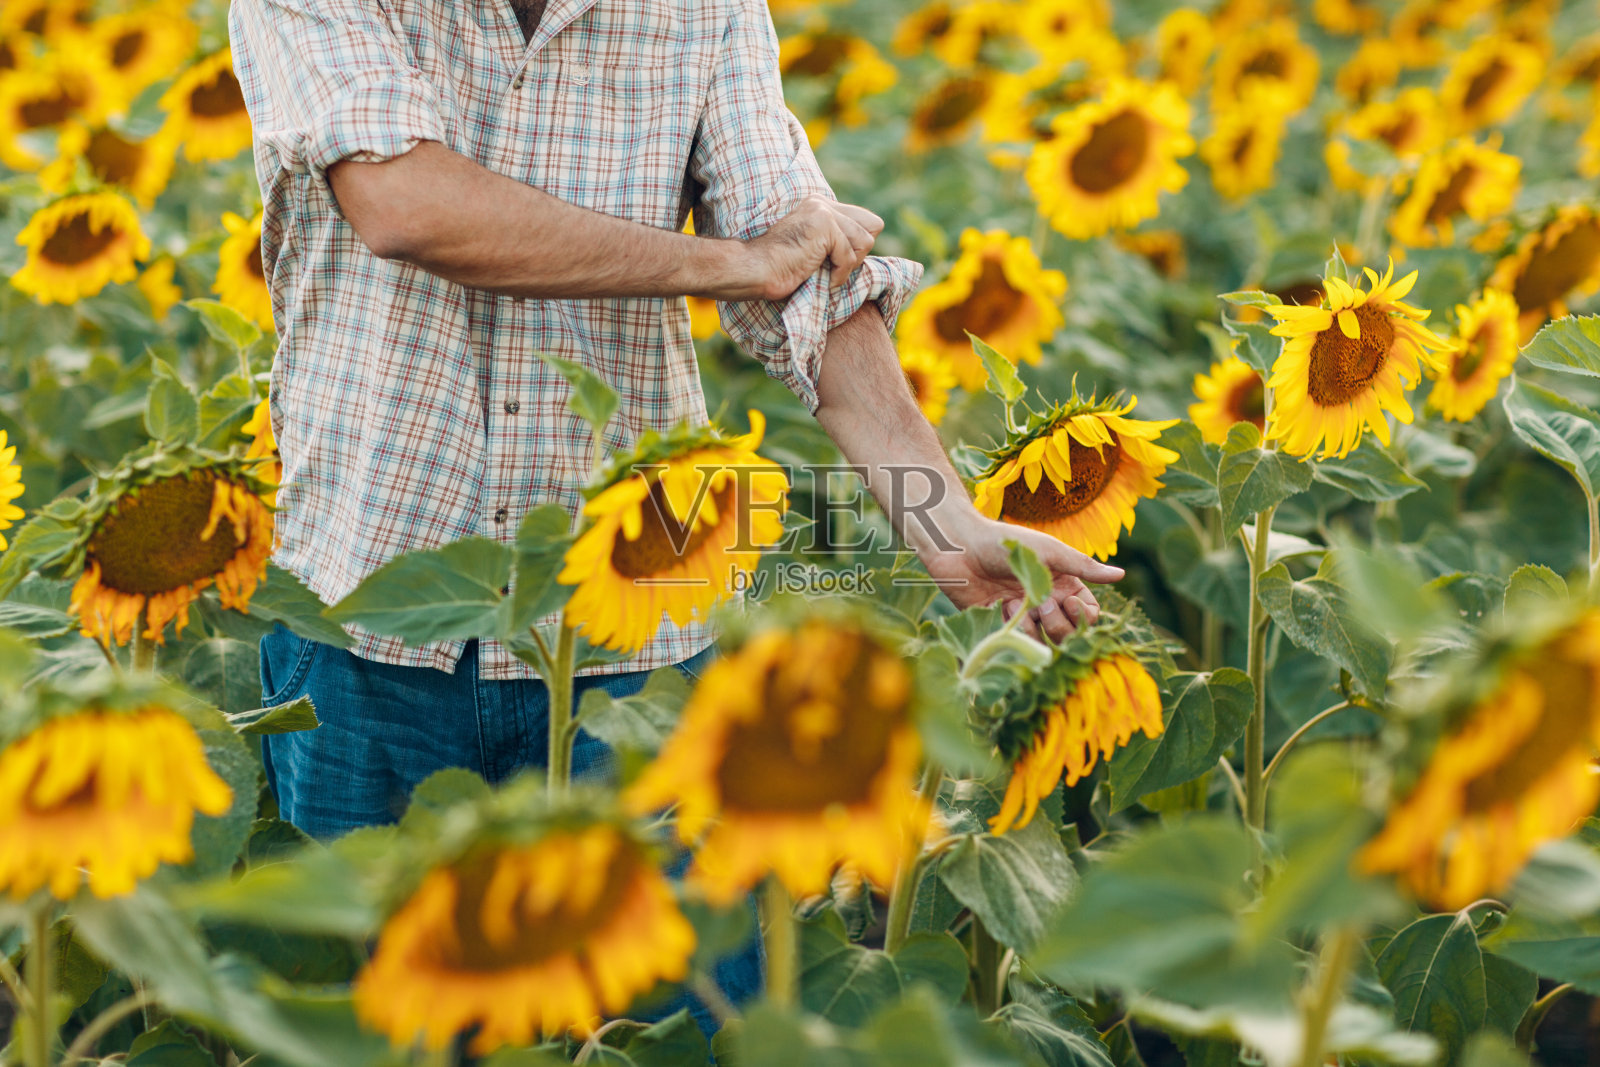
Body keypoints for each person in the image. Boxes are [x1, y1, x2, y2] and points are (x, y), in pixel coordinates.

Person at [231, 0, 1122, 1017]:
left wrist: (948, 525)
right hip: (369, 622)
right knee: (384, 1024)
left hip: (641, 646)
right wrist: (728, 263)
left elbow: (810, 274)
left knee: (680, 1025)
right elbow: (407, 204)